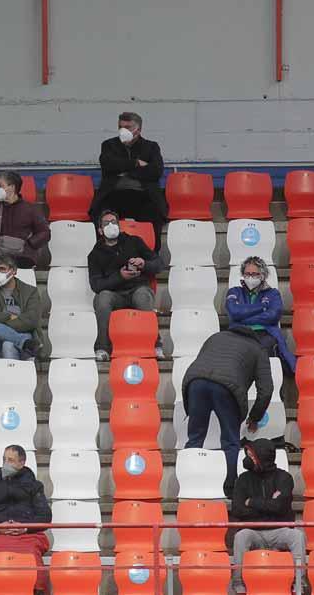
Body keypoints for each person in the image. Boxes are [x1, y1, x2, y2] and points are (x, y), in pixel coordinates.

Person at [180, 326, 273, 495]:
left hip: (196, 381)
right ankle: (230, 487)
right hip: (227, 388)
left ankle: (189, 484)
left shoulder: (216, 337)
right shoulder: (258, 349)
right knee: (230, 442)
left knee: (194, 439)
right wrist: (254, 418)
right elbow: (266, 390)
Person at [87, 208, 165, 361]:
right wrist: (120, 276)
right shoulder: (95, 254)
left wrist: (144, 264)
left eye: (114, 222)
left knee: (143, 295)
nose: (111, 225)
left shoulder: (134, 241)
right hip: (114, 295)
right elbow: (96, 285)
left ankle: (155, 344)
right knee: (102, 298)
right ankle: (103, 348)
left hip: (137, 288)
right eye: (106, 223)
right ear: (100, 230)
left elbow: (159, 264)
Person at [229, 439, 304, 595]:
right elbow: (238, 509)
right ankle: (239, 584)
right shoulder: (243, 479)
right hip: (253, 530)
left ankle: (299, 582)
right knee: (241, 536)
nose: (247, 459)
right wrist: (268, 505)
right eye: (247, 455)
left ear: (263, 458)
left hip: (279, 530)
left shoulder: (284, 478)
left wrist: (252, 502)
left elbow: (280, 507)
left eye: (252, 456)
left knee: (297, 536)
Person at [0, 445, 52, 595]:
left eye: (10, 460)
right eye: (4, 459)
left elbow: (45, 516)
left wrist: (25, 527)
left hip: (27, 535)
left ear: (21, 463)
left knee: (32, 555)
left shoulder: (34, 485)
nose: (6, 464)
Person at [91, 112, 168, 247]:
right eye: (120, 127)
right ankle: (106, 254)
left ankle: (150, 255)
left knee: (154, 215)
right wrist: (136, 163)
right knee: (101, 214)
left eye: (128, 127)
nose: (123, 131)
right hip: (114, 195)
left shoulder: (151, 147)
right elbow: (108, 165)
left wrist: (124, 171)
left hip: (144, 195)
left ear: (138, 130)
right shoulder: (109, 145)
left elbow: (156, 171)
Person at [225, 256, 295, 374]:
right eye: (247, 274)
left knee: (264, 349)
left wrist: (243, 316)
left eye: (254, 274)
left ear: (262, 276)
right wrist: (262, 307)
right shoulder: (234, 291)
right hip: (239, 332)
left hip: (264, 333)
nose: (250, 277)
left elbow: (273, 315)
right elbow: (234, 312)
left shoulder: (273, 293)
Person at [0, 171, 50, 270]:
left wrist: (30, 244)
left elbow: (45, 232)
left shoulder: (30, 209)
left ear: (12, 187)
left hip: (23, 259)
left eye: (0, 186)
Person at [0, 254, 44, 361]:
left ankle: (11, 374)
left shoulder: (30, 291)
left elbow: (31, 320)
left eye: (2, 269)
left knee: (8, 344)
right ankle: (23, 342)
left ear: (13, 271)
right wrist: (9, 316)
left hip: (23, 339)